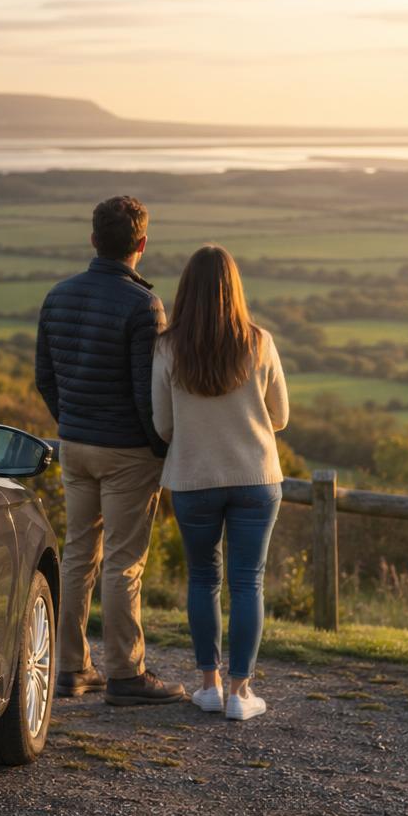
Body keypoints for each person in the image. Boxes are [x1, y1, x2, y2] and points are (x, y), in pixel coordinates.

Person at [36, 196, 185, 706]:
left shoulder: (58, 296)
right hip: (127, 451)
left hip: (74, 445)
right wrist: (157, 447)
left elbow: (43, 378)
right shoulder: (144, 305)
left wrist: (72, 421)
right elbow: (150, 393)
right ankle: (126, 674)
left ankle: (72, 669)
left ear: (94, 239)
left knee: (79, 554)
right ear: (141, 245)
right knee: (124, 562)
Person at [151, 245, 289, 722]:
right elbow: (282, 416)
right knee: (248, 582)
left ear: (186, 290)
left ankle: (208, 686)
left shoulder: (168, 347)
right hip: (255, 476)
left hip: (194, 479)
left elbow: (162, 426)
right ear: (235, 289)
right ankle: (239, 693)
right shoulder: (260, 341)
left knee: (203, 579)